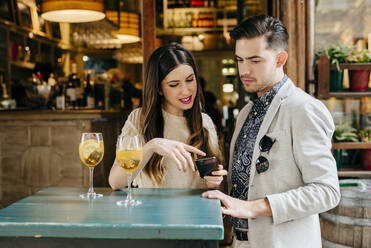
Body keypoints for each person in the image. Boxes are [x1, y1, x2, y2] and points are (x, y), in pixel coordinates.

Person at [202, 15, 340, 248]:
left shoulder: (303, 109)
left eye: (255, 60)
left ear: (280, 59)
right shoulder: (246, 111)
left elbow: (326, 191)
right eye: (240, 60)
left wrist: (252, 207)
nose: (244, 70)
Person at [109, 43, 227, 189]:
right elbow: (115, 182)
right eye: (174, 84)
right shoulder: (139, 119)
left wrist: (214, 182)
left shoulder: (205, 122)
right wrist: (152, 146)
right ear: (159, 88)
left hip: (195, 212)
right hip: (151, 211)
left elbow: (216, 189)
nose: (186, 91)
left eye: (190, 80)